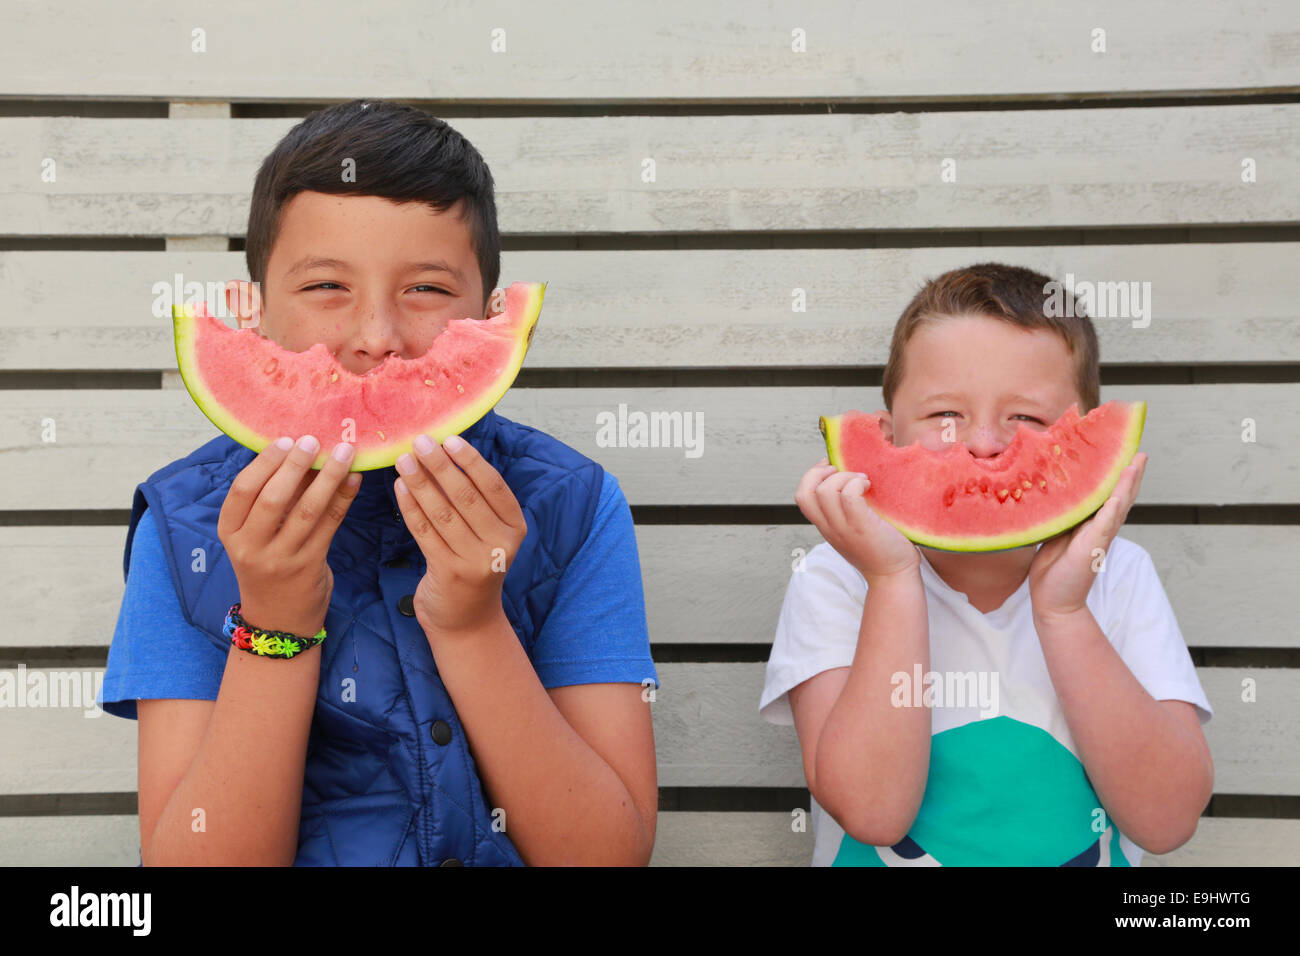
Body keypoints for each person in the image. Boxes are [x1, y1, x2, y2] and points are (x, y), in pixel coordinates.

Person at [99, 99, 659, 866]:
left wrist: (472, 626)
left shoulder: (573, 506)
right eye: (327, 286)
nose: (376, 339)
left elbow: (606, 855)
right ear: (256, 313)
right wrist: (275, 625)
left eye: (426, 289)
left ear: (491, 316)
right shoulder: (183, 525)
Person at [759, 262, 1213, 866]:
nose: (983, 444)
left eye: (1026, 417)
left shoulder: (1119, 575)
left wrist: (1065, 612)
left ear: (1083, 433)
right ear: (886, 437)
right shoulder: (836, 578)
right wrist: (892, 581)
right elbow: (872, 813)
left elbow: (1167, 820)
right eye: (945, 415)